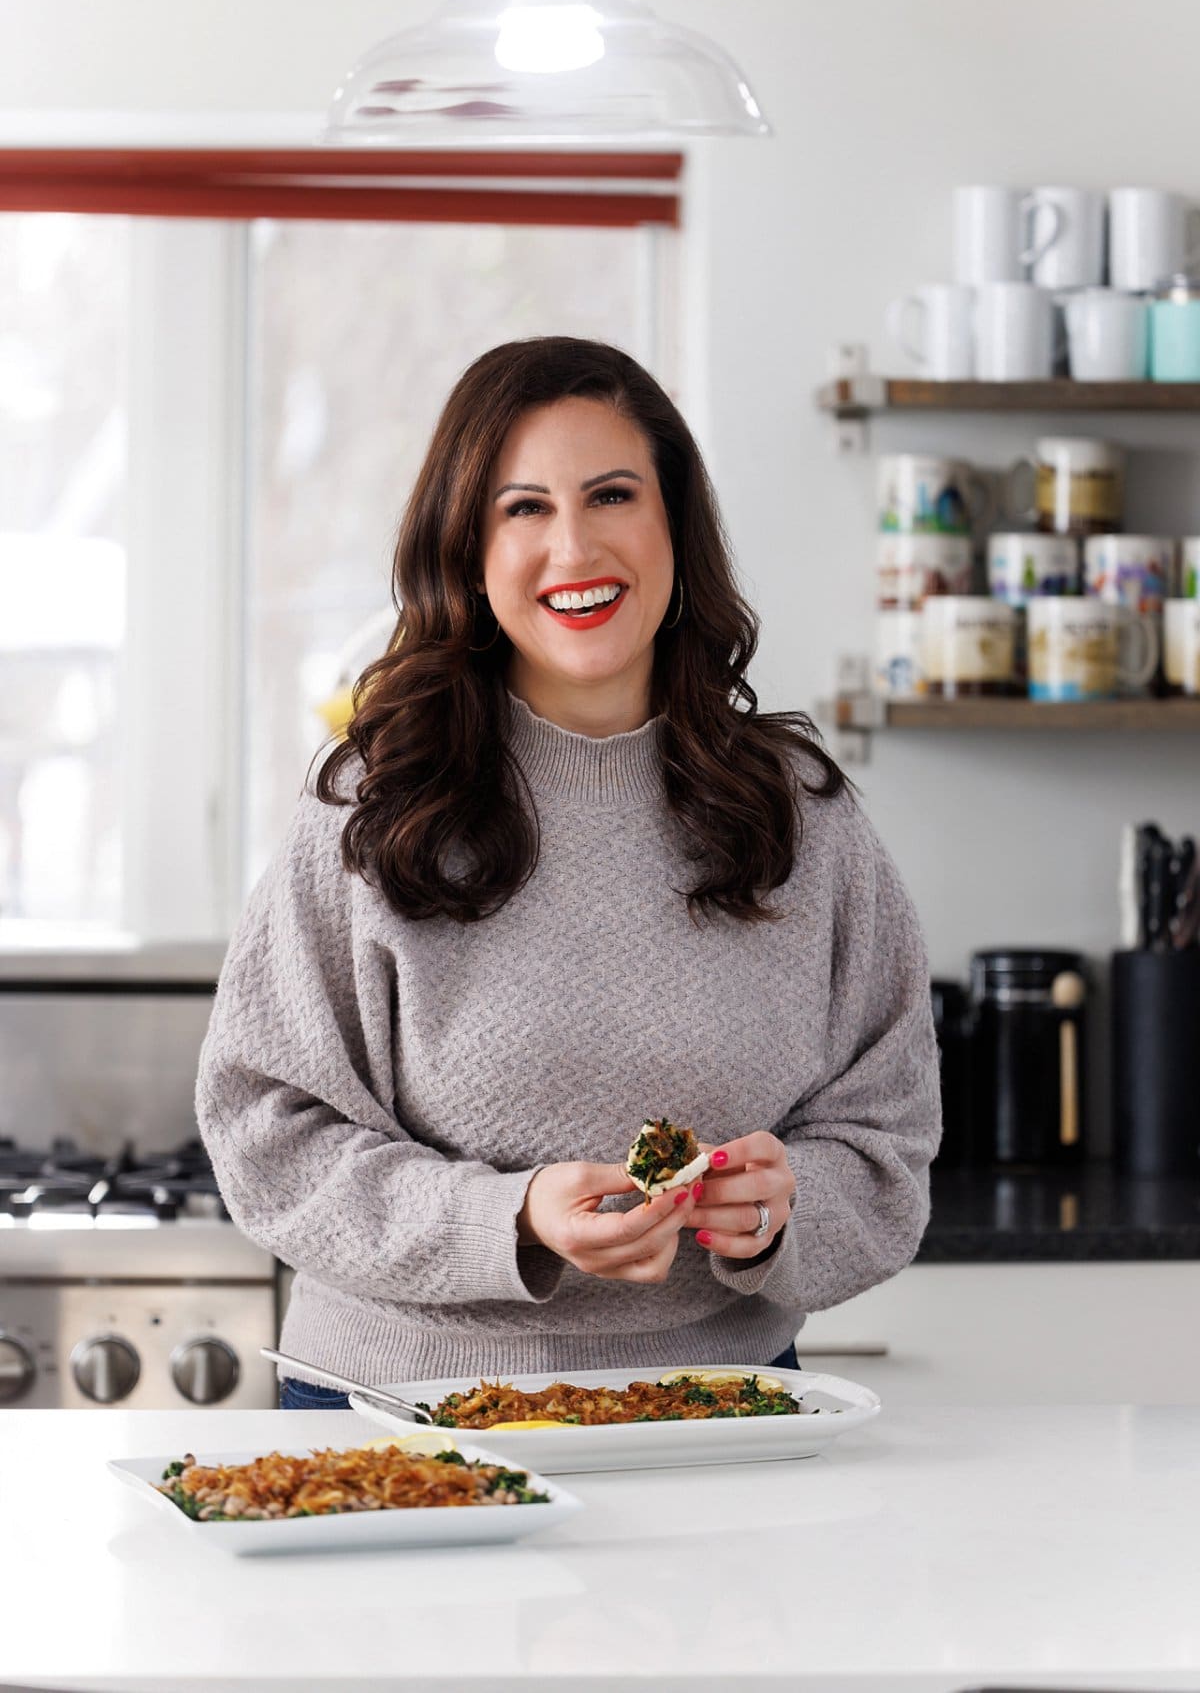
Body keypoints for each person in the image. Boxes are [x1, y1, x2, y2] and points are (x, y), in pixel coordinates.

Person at [195, 336, 941, 1411]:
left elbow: (888, 1135)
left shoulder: (802, 816)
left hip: (716, 1414)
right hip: (398, 1418)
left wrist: (787, 1208)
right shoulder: (370, 802)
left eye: (612, 495)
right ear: (468, 547)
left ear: (675, 524)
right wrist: (510, 1217)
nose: (575, 546)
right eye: (524, 508)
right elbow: (266, 1129)